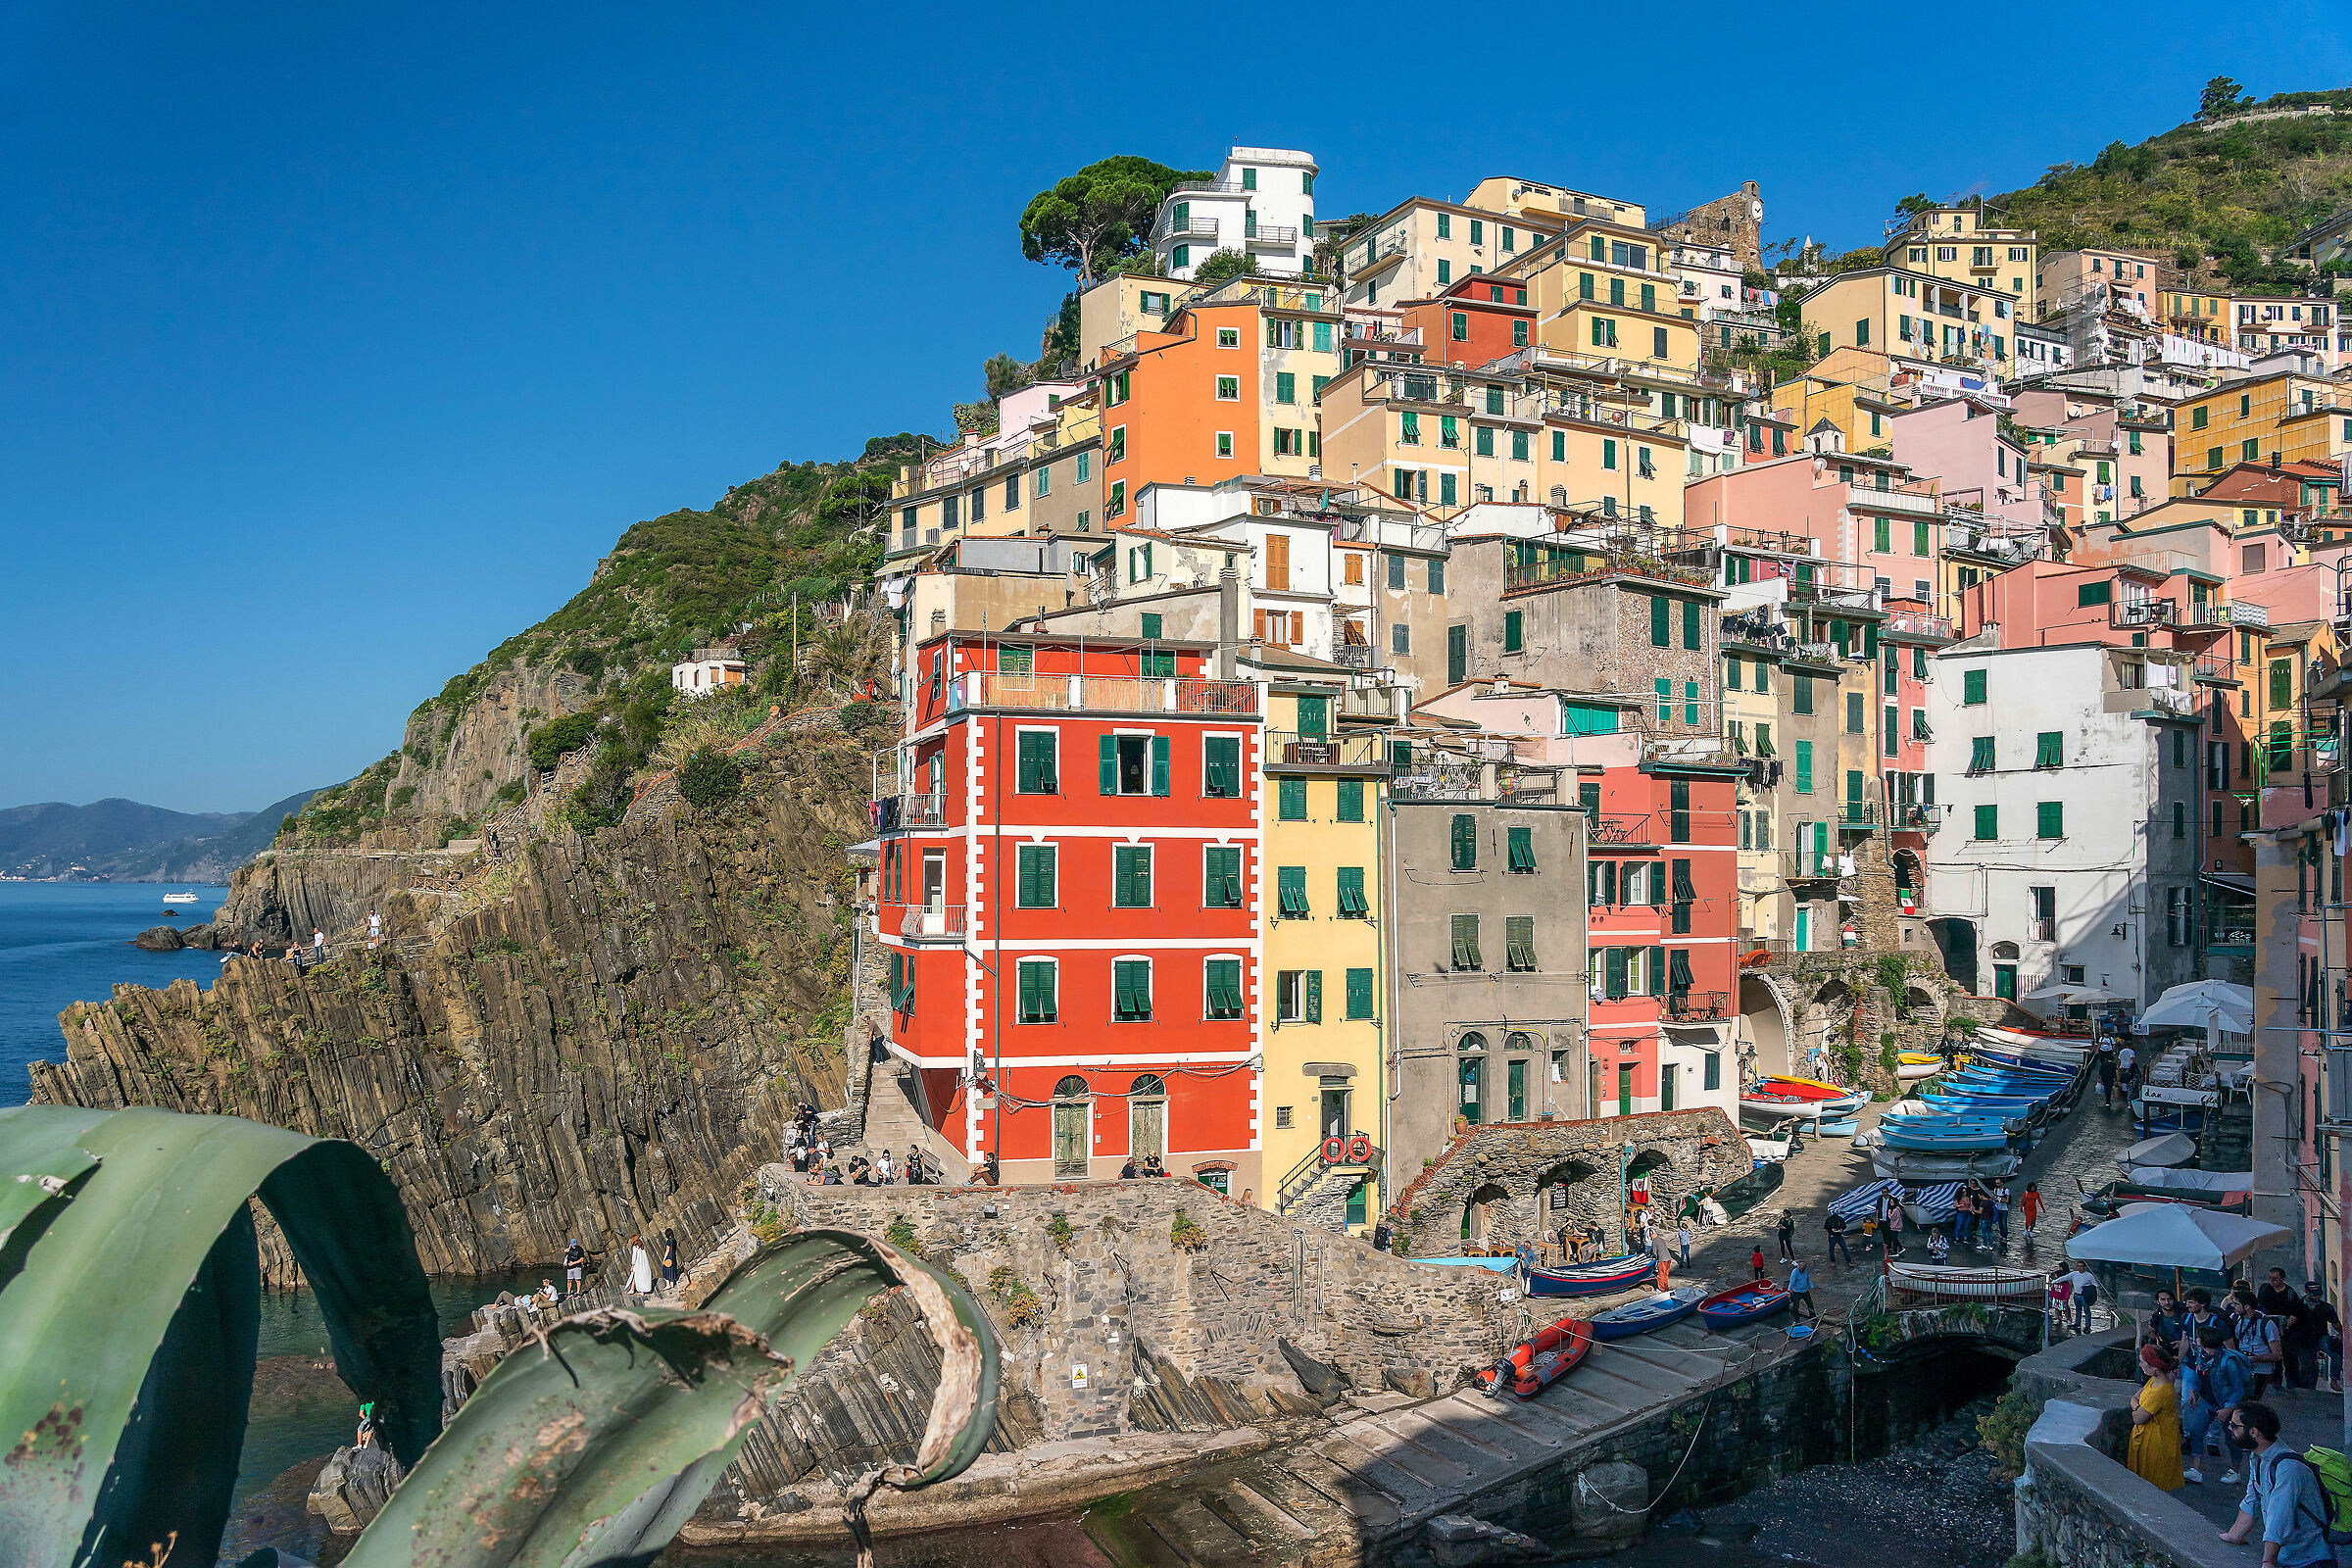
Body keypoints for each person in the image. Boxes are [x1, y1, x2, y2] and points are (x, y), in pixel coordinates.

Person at [2220, 1401, 2335, 1567]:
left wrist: (2268, 1562)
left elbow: (2279, 1518)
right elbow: (2253, 1499)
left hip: (2310, 1560)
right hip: (2289, 1557)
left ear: (2253, 1432)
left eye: (2234, 1425)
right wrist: (2234, 1536)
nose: (2229, 1428)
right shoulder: (2257, 1456)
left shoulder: (2288, 1468)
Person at [2184, 1325, 2252, 1483]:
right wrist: (2194, 1390)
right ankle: (2196, 1469)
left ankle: (2235, 1471)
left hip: (2226, 1404)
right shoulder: (2202, 1354)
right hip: (2208, 1401)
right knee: (2195, 1430)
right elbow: (2200, 1375)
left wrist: (2228, 1409)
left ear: (2204, 1341)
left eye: (2198, 1337)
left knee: (2232, 1438)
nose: (2196, 1339)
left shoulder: (2228, 1362)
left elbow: (2238, 1389)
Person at [2127, 1341, 2183, 1492]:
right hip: (2153, 1437)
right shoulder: (2155, 1380)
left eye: (2142, 1362)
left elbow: (2138, 1417)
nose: (2140, 1365)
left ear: (2155, 1368)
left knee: (2150, 1483)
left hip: (2156, 1442)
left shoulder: (2160, 1391)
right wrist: (2138, 1406)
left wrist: (2134, 1404)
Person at [2235, 1296, 2284, 1395]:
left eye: (2236, 1304)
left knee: (2256, 1399)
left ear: (2246, 1306)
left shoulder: (2267, 1324)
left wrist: (2252, 1359)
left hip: (2262, 1373)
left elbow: (2277, 1355)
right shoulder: (2236, 1319)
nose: (2233, 1306)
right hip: (2242, 1369)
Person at [2061, 1264, 2099, 1335]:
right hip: (2076, 1295)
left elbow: (2095, 1285)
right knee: (2078, 1310)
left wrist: (2086, 1287)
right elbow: (2065, 1278)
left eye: (2081, 1266)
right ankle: (2077, 1323)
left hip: (2084, 1295)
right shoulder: (2074, 1274)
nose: (2080, 1268)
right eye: (2078, 1266)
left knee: (2086, 1310)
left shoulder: (2089, 1276)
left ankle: (2087, 1326)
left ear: (2085, 1267)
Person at [1992, 1182, 2012, 1248]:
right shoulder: (1996, 1190)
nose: (1997, 1184)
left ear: (2002, 1183)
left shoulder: (2006, 1190)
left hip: (2004, 1209)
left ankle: (2005, 1236)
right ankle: (2001, 1235)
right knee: (2000, 1223)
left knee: (2003, 1223)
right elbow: (1994, 1198)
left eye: (1998, 1183)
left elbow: (2007, 1201)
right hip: (1998, 1209)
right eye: (1996, 1183)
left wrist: (1999, 1200)